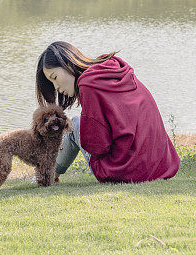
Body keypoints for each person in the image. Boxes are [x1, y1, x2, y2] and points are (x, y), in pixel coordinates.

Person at [35, 41, 180, 183]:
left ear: (67, 63)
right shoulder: (114, 70)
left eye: (54, 77)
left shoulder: (88, 84)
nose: (56, 87)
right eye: (51, 83)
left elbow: (98, 146)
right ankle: (47, 174)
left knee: (73, 125)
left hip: (124, 171)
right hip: (159, 167)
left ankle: (46, 176)